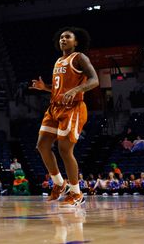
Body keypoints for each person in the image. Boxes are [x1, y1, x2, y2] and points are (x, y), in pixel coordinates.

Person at [30, 27, 99, 207]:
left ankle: (77, 193)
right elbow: (58, 89)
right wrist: (44, 87)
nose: (63, 39)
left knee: (64, 150)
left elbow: (94, 80)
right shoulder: (59, 61)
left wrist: (76, 90)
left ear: (76, 42)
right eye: (61, 37)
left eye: (67, 37)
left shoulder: (79, 57)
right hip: (54, 107)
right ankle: (60, 184)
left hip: (73, 108)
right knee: (42, 145)